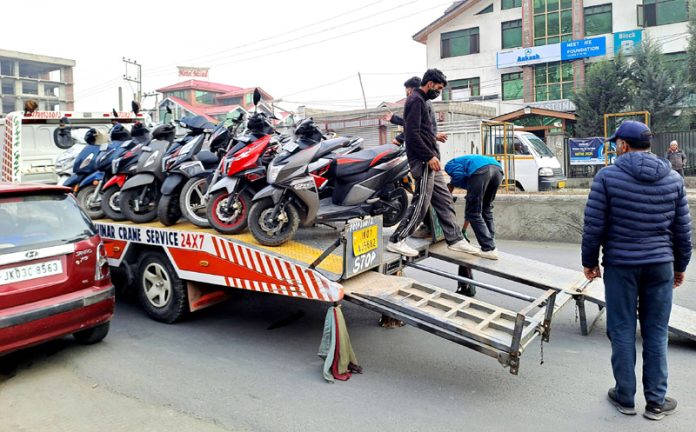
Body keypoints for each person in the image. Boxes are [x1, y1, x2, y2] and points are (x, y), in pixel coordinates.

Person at [581, 121, 691, 421]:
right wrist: (680, 266)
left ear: (624, 145)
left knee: (622, 329)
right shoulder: (672, 178)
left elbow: (594, 226)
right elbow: (682, 230)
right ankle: (656, 401)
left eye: (617, 142)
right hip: (660, 266)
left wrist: (589, 262)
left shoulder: (607, 177)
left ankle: (625, 396)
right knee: (656, 332)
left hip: (621, 266)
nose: (616, 146)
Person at [387, 69, 474, 257]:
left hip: (431, 159)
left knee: (444, 200)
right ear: (430, 83)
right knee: (421, 203)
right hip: (424, 160)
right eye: (439, 88)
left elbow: (424, 131)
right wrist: (428, 156)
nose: (439, 92)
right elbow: (412, 134)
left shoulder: (424, 101)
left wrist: (434, 142)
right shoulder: (415, 100)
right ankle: (397, 239)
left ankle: (456, 239)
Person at [445, 155, 504, 260]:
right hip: (497, 170)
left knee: (473, 213)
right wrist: (463, 229)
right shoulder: (468, 166)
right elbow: (471, 183)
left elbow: (457, 176)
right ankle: (491, 245)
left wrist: (451, 186)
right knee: (486, 209)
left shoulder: (449, 165)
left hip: (481, 171)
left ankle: (488, 247)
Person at [383, 76, 448, 145]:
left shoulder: (417, 102)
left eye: (407, 91)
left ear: (410, 90)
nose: (407, 94)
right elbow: (414, 122)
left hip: (423, 145)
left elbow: (414, 127)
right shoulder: (424, 100)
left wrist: (399, 138)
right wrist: (394, 118)